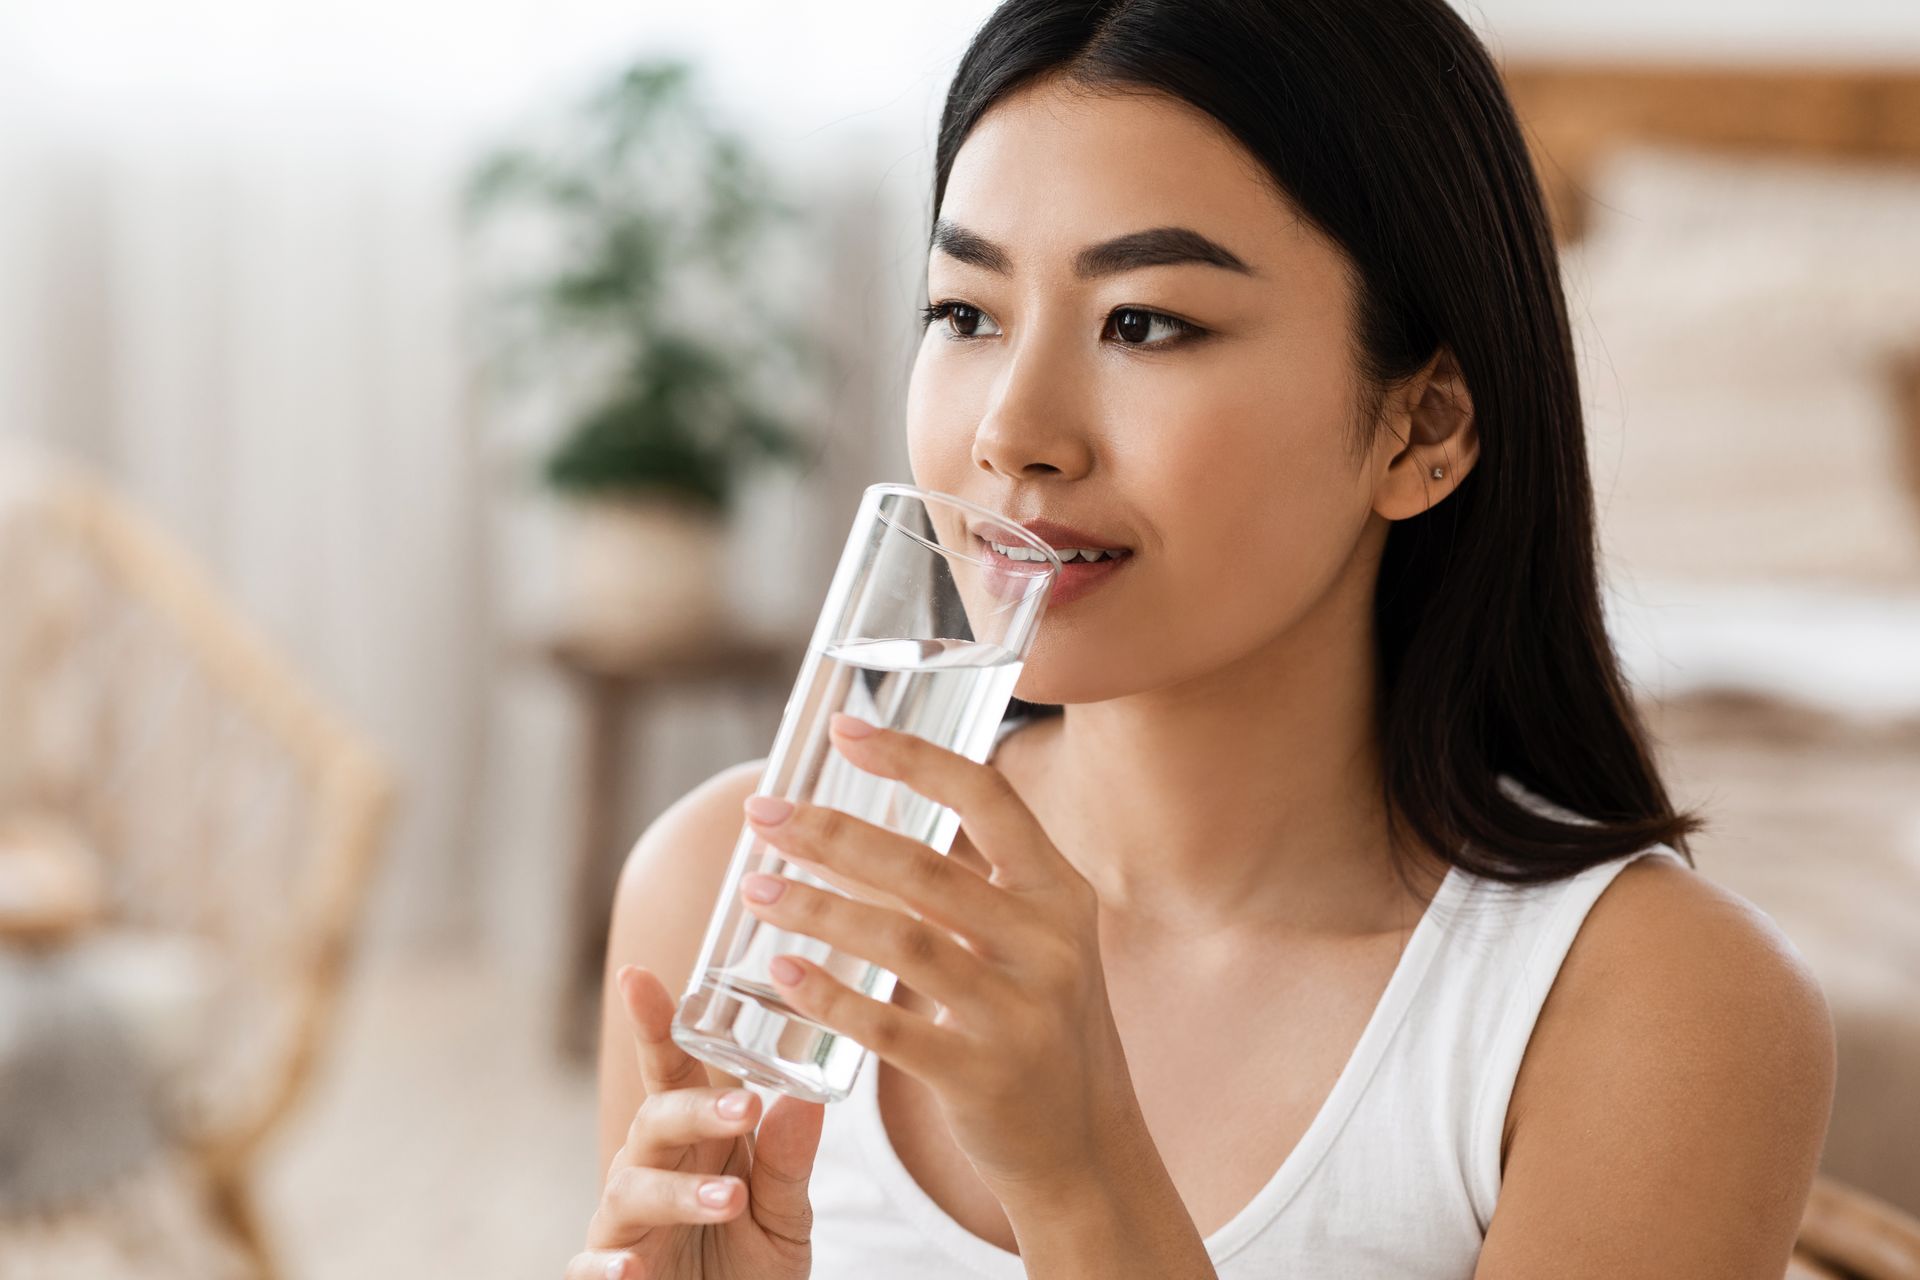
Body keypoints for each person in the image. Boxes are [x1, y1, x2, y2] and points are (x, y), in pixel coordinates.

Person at [568, 2, 1836, 1277]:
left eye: (1144, 322)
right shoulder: (740, 888)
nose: (1015, 430)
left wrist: (1084, 1178)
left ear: (1425, 427)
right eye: (964, 311)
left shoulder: (1662, 1014)